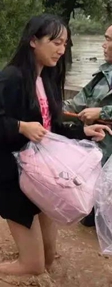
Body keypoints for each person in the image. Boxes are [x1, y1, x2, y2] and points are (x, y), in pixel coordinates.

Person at [0, 14, 111, 276]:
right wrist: (20, 126)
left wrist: (84, 131)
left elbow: (51, 130)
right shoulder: (12, 77)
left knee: (49, 260)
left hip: (41, 175)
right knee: (33, 267)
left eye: (64, 44)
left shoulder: (48, 81)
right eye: (55, 42)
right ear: (33, 41)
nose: (61, 50)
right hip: (11, 175)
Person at [63, 24, 112, 227]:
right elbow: (76, 105)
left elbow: (97, 111)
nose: (103, 45)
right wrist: (44, 108)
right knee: (90, 217)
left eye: (109, 40)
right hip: (98, 155)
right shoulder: (102, 76)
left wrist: (102, 112)